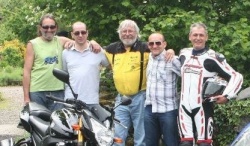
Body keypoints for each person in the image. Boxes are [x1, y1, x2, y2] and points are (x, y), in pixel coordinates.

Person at [105, 19, 174, 146]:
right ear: (119, 33)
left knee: (141, 135)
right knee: (118, 136)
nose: (127, 34)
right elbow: (93, 52)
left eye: (130, 31)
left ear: (137, 33)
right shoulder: (111, 49)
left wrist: (170, 50)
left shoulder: (146, 48)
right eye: (124, 31)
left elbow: (160, 51)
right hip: (121, 99)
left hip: (140, 97)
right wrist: (90, 42)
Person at [178, 22, 243, 146]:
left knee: (204, 144)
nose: (198, 38)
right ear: (189, 37)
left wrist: (227, 96)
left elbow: (237, 76)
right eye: (195, 35)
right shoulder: (183, 53)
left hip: (203, 107)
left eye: (201, 35)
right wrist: (169, 51)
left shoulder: (213, 57)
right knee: (185, 143)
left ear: (206, 37)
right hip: (183, 107)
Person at [22, 13, 72, 111]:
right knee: (38, 124)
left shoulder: (61, 41)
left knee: (58, 124)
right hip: (37, 91)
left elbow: (82, 43)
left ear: (56, 28)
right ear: (40, 28)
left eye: (52, 27)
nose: (49, 30)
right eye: (46, 27)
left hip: (57, 91)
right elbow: (26, 72)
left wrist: (93, 43)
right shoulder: (33, 44)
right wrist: (26, 98)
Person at [144, 32, 180, 146]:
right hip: (150, 109)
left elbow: (188, 75)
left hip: (168, 110)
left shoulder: (172, 59)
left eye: (158, 43)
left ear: (164, 44)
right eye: (151, 43)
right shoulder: (149, 57)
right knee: (150, 144)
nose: (154, 46)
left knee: (171, 143)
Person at [62, 21, 109, 105]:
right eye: (77, 33)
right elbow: (65, 73)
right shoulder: (66, 53)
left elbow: (110, 66)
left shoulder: (98, 50)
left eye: (83, 32)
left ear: (87, 33)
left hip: (91, 100)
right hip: (71, 100)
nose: (80, 35)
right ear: (72, 35)